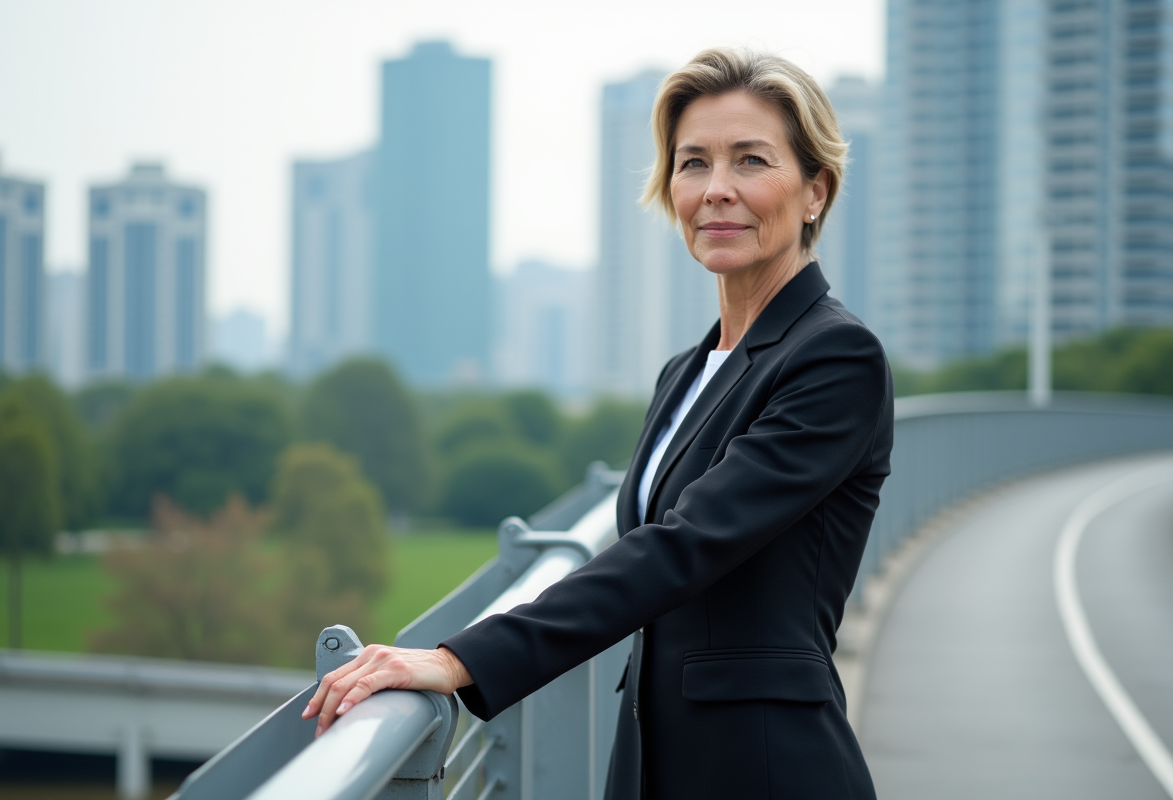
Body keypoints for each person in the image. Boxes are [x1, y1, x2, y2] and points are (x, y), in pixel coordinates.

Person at [303, 47, 893, 799]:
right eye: (692, 163)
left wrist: (459, 660)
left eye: (750, 161)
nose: (716, 190)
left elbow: (683, 547)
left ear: (815, 191)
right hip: (656, 759)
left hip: (767, 766)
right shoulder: (687, 371)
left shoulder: (836, 357)